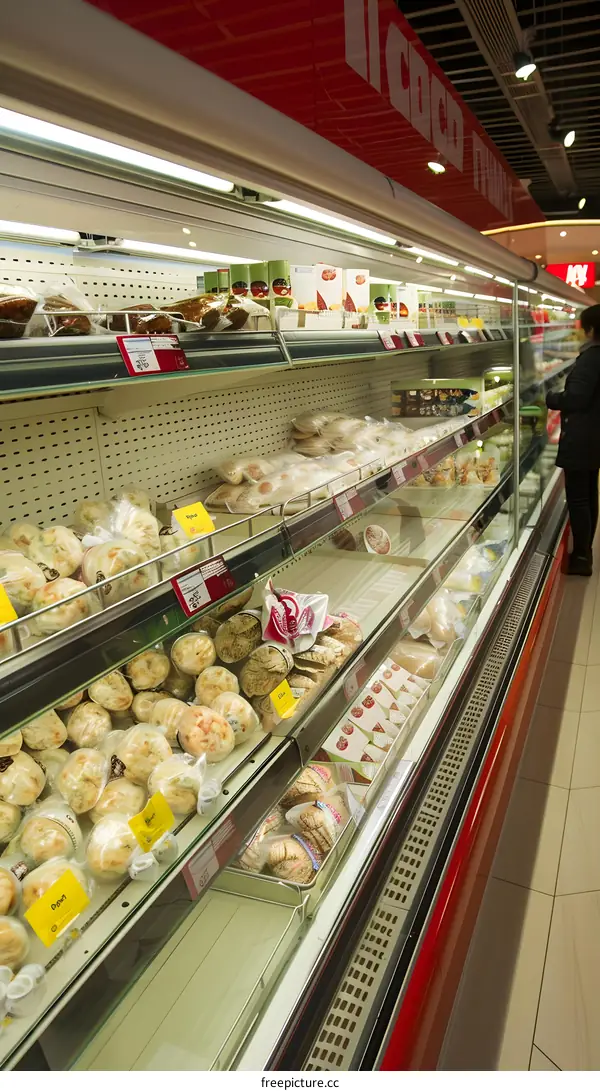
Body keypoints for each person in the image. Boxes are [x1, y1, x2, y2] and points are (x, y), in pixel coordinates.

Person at [546, 303, 600, 576]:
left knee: (579, 498)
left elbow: (577, 398)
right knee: (589, 493)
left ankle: (581, 557)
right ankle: (585, 550)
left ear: (590, 329)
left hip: (583, 438)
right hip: (594, 436)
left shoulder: (591, 358)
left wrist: (551, 398)